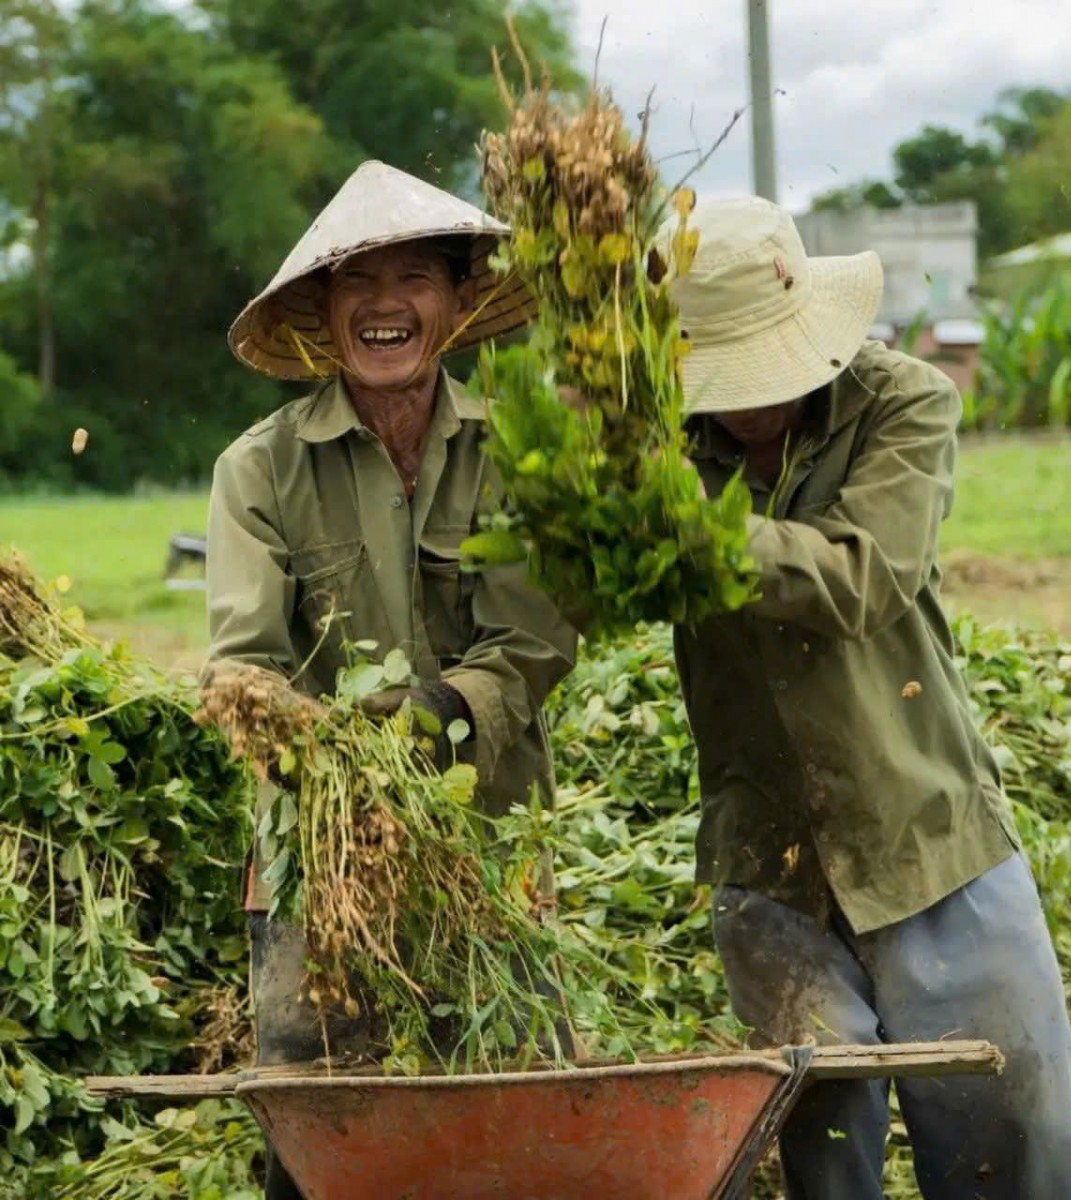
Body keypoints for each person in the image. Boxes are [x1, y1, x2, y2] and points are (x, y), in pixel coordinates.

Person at [664, 196, 1071, 1199]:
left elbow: (863, 576)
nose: (746, 402)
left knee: (1013, 1142)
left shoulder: (901, 402)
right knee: (823, 1159)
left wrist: (680, 525)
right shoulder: (657, 445)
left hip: (926, 838)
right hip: (768, 861)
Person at [205, 160, 576, 1200]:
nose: (386, 303)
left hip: (489, 843)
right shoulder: (259, 470)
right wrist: (335, 760)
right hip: (317, 856)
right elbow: (246, 663)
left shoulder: (516, 455)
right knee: (322, 1136)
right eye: (357, 281)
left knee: (514, 1119)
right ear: (324, 313)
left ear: (456, 301)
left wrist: (440, 714)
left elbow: (532, 643)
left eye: (414, 276)